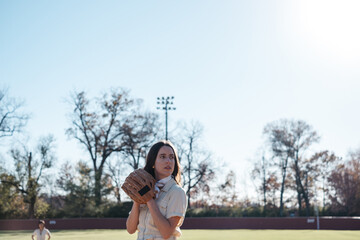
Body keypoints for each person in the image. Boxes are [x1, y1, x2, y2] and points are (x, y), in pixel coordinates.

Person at [126, 140, 188, 240]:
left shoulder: (177, 192)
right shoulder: (144, 187)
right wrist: (137, 200)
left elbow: (166, 233)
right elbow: (130, 229)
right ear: (153, 162)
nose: (168, 161)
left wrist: (149, 199)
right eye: (162, 157)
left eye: (171, 157)